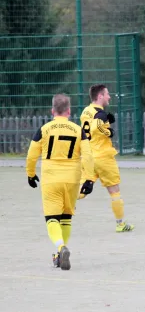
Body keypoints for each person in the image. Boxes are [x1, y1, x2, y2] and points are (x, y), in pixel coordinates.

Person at [26, 94, 95, 270]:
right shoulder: (78, 130)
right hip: (72, 179)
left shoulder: (44, 129)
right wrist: (88, 179)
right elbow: (87, 156)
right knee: (66, 218)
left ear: (52, 111)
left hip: (51, 178)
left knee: (51, 219)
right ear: (69, 111)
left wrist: (31, 174)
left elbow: (32, 154)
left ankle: (60, 247)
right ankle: (59, 255)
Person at [79, 84, 134, 232]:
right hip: (103, 157)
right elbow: (98, 127)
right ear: (100, 96)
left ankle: (59, 202)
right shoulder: (100, 114)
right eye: (107, 94)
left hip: (89, 156)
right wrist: (109, 131)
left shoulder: (86, 111)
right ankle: (120, 224)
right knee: (114, 190)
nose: (109, 97)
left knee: (82, 191)